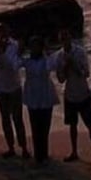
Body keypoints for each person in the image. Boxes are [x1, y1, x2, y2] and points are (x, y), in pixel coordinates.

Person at [55, 27, 91, 163]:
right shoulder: (59, 56)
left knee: (90, 124)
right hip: (70, 94)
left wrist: (73, 65)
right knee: (72, 125)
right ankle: (74, 151)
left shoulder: (80, 52)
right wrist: (65, 67)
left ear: (70, 38)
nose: (65, 41)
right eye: (62, 39)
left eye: (67, 38)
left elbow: (86, 73)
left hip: (83, 93)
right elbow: (61, 79)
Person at [0, 23, 29, 159]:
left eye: (4, 31)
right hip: (0, 87)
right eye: (0, 31)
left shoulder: (15, 45)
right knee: (5, 118)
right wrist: (0, 51)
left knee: (17, 118)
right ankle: (10, 147)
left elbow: (15, 66)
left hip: (14, 86)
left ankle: (24, 148)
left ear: (9, 32)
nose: (2, 34)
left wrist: (16, 53)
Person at [21, 35, 60, 163]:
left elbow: (52, 65)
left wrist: (48, 52)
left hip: (45, 94)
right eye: (32, 46)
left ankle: (44, 152)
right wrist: (18, 50)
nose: (34, 49)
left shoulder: (46, 60)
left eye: (37, 46)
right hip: (33, 95)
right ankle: (38, 154)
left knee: (45, 126)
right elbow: (13, 63)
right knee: (35, 126)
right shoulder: (27, 61)